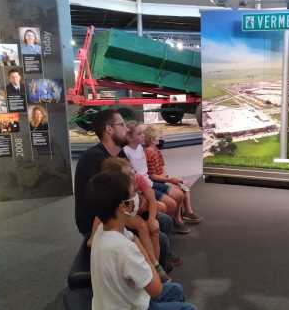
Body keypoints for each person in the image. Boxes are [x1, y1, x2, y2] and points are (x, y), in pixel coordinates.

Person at [87, 171, 197, 310]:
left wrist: (140, 230)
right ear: (123, 206)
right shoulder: (123, 249)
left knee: (176, 290)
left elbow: (132, 238)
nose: (138, 198)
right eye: (134, 195)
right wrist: (150, 261)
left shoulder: (104, 229)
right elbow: (156, 289)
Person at [74, 109, 177, 270]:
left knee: (164, 221)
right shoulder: (94, 159)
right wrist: (141, 204)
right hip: (102, 219)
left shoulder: (119, 154)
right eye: (121, 124)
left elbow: (133, 188)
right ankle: (155, 278)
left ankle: (159, 264)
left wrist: (141, 201)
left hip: (121, 209)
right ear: (109, 129)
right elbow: (113, 201)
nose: (126, 129)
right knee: (160, 235)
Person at [124, 122, 191, 233]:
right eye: (139, 134)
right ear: (130, 137)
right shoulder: (126, 152)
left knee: (178, 195)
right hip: (144, 186)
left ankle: (174, 220)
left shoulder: (140, 148)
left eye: (143, 133)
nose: (143, 135)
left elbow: (147, 171)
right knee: (171, 204)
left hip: (149, 182)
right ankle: (166, 226)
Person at [144, 126, 202, 225]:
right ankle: (178, 217)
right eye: (159, 137)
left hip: (162, 179)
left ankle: (188, 212)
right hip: (156, 182)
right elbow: (152, 175)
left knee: (184, 187)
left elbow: (162, 169)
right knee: (180, 190)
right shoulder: (149, 152)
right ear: (152, 140)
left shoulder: (157, 151)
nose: (161, 139)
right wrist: (169, 179)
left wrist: (168, 178)